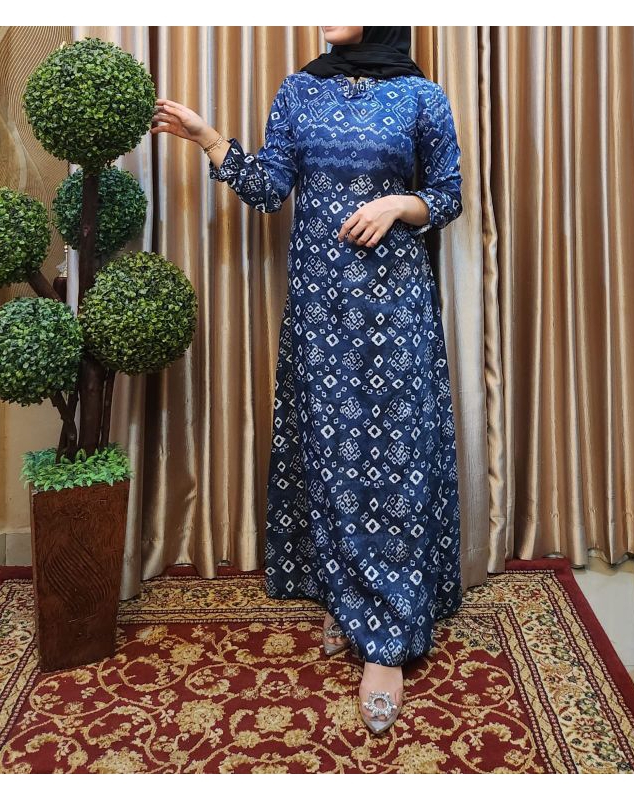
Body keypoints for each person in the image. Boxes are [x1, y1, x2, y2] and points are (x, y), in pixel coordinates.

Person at [152, 25, 464, 736]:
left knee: (392, 459)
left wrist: (398, 205)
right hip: (321, 308)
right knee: (330, 454)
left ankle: (386, 640)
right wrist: (206, 137)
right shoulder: (299, 90)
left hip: (396, 306)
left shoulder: (422, 97)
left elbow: (448, 195)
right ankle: (347, 596)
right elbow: (269, 189)